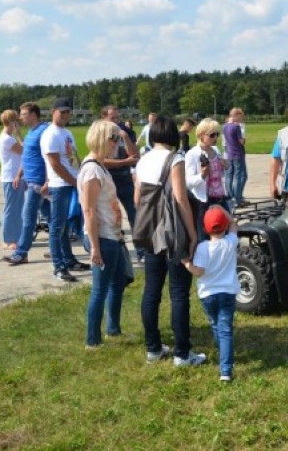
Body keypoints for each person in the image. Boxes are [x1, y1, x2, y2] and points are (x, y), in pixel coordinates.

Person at [134, 116, 205, 367]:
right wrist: (192, 233)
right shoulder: (175, 159)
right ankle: (182, 353)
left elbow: (137, 199)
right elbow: (180, 199)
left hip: (150, 230)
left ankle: (153, 348)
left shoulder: (142, 160)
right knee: (178, 293)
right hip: (173, 230)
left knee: (151, 290)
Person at [79, 120, 127, 349]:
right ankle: (92, 341)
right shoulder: (91, 170)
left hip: (112, 235)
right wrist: (95, 248)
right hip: (103, 238)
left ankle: (113, 329)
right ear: (102, 139)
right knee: (99, 291)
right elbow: (89, 211)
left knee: (117, 283)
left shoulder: (101, 166)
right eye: (114, 138)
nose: (117, 143)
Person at [184, 206, 240, 382]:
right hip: (228, 293)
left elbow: (198, 272)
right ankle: (225, 370)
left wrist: (186, 263)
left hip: (207, 295)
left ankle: (224, 352)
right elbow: (234, 224)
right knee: (226, 330)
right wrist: (221, 209)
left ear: (205, 228)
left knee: (216, 325)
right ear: (224, 226)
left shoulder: (203, 248)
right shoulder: (231, 242)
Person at [41, 97, 88, 282]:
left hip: (71, 183)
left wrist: (81, 176)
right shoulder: (50, 134)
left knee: (65, 227)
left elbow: (73, 157)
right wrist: (72, 181)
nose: (65, 115)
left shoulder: (66, 132)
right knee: (57, 227)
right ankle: (58, 266)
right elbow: (54, 164)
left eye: (68, 112)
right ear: (53, 112)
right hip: (60, 186)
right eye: (62, 112)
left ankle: (69, 260)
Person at [3, 103, 50, 266]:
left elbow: (51, 158)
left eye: (23, 114)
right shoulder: (31, 132)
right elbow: (27, 156)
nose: (20, 117)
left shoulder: (44, 131)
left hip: (38, 183)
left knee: (27, 217)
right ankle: (60, 249)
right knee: (53, 218)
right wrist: (19, 174)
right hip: (31, 181)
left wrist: (48, 181)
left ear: (33, 115)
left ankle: (21, 252)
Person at [186, 118, 229, 239]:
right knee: (204, 236)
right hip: (204, 201)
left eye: (217, 134)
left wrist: (225, 165)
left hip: (220, 197)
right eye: (212, 135)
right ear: (201, 135)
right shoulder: (193, 154)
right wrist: (202, 175)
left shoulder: (215, 150)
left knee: (225, 230)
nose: (215, 138)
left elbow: (220, 172)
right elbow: (188, 182)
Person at [99, 105, 140, 233]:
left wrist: (125, 137)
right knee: (111, 215)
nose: (116, 121)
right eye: (112, 118)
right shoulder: (101, 134)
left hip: (125, 178)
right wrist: (124, 161)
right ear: (104, 118)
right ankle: (117, 245)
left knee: (134, 212)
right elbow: (102, 160)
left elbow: (134, 156)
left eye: (118, 117)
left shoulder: (125, 131)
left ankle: (141, 248)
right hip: (108, 178)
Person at [0, 109, 24, 250]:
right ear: (11, 123)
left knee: (15, 208)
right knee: (12, 208)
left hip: (11, 176)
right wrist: (19, 133)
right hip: (11, 177)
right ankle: (9, 238)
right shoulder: (8, 139)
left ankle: (13, 236)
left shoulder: (7, 137)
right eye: (16, 122)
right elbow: (25, 150)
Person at [223, 108, 248, 205]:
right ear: (236, 115)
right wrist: (243, 140)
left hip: (229, 153)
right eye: (241, 115)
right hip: (238, 153)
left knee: (229, 175)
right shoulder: (237, 126)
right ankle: (238, 198)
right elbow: (241, 141)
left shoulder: (225, 126)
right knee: (239, 176)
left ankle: (230, 196)